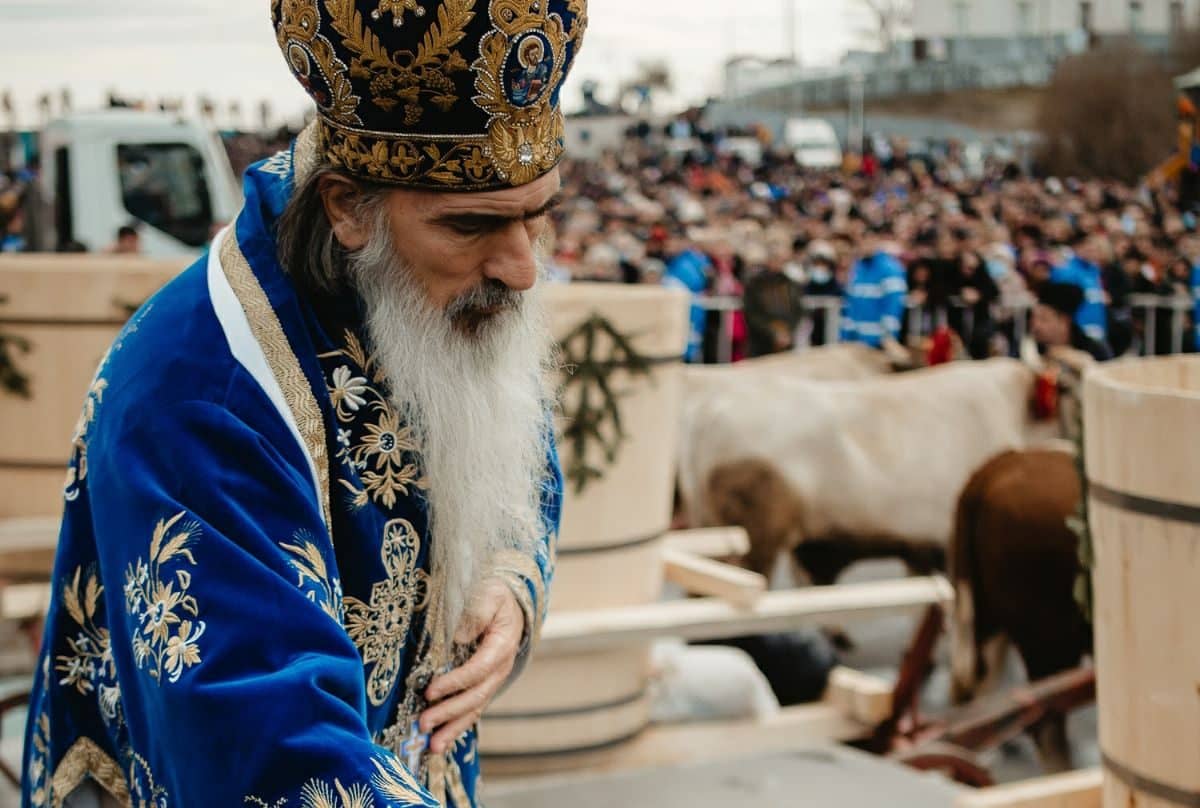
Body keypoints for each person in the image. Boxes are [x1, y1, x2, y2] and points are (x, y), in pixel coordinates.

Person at [22, 2, 587, 806]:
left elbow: (517, 449)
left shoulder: (439, 288)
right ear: (346, 207)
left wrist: (510, 578)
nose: (525, 269)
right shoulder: (198, 389)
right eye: (472, 224)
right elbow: (263, 746)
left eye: (542, 215)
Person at [839, 228, 908, 350]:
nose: (866, 245)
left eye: (870, 240)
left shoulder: (890, 269)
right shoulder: (857, 268)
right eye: (863, 241)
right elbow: (851, 305)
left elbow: (893, 307)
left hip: (879, 343)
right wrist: (845, 336)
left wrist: (888, 338)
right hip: (856, 342)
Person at [1051, 232, 1109, 347]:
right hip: (1077, 329)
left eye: (1095, 249)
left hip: (1098, 326)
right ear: (1078, 247)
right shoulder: (1065, 271)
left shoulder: (1094, 270)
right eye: (1089, 248)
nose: (1093, 252)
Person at [1031, 281, 1113, 362]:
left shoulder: (1095, 351)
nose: (1036, 325)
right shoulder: (1030, 350)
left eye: (1043, 319)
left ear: (1064, 321)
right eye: (1033, 318)